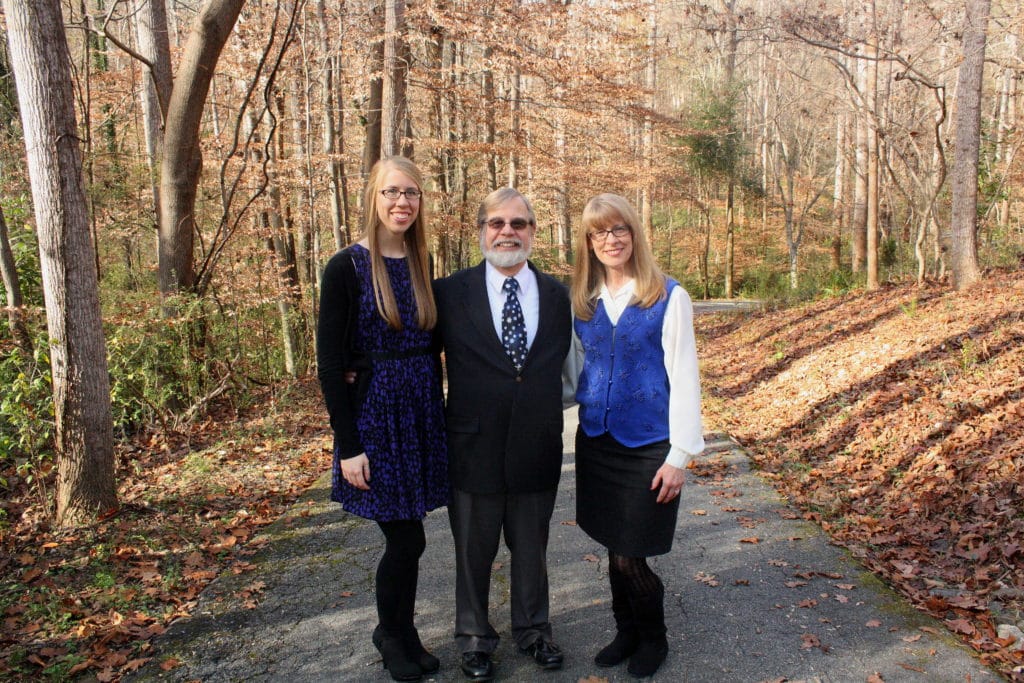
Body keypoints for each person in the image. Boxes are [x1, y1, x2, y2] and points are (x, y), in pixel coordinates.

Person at [317, 156, 448, 682]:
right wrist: (348, 445)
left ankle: (404, 631)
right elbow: (329, 363)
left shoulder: (422, 263)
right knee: (406, 538)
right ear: (373, 197)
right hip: (376, 420)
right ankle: (391, 634)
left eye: (411, 193)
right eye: (392, 192)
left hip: (420, 415)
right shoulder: (346, 267)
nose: (402, 202)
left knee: (412, 533)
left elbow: (437, 342)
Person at [434, 187, 572, 682]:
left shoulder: (559, 295)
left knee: (532, 549)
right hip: (471, 446)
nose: (507, 232)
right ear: (481, 231)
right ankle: (474, 639)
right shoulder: (449, 293)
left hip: (537, 443)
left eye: (518, 223)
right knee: (473, 551)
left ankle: (534, 631)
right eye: (497, 223)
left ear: (534, 232)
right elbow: (417, 359)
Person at [566, 193, 704, 678]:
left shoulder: (668, 295)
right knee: (612, 543)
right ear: (589, 242)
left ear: (634, 234)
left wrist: (680, 455)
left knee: (630, 555)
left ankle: (653, 637)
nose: (610, 239)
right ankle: (625, 630)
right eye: (599, 232)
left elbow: (685, 377)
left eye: (619, 229)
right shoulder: (583, 301)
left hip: (648, 446)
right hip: (597, 443)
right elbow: (568, 372)